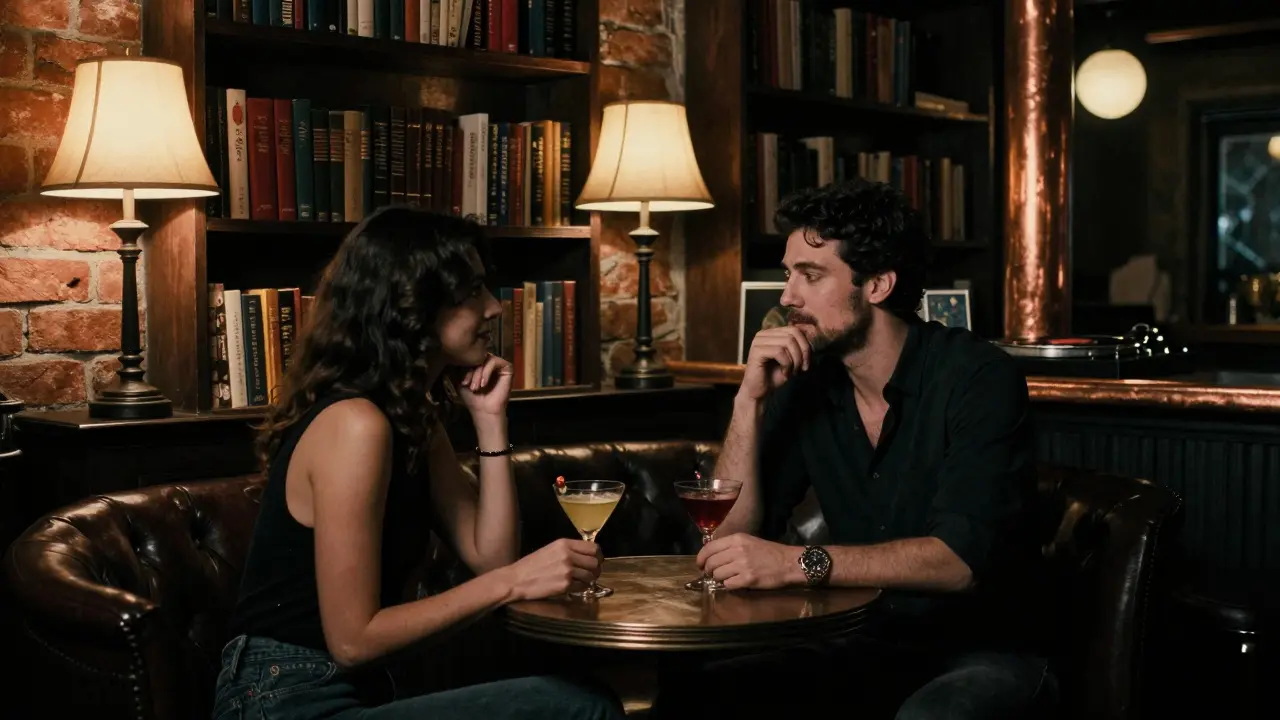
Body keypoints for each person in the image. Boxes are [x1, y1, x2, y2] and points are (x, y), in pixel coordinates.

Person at [651, 179, 1056, 719]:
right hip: (865, 642)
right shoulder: (807, 384)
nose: (786, 296)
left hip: (983, 649)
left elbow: (959, 562)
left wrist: (799, 562)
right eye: (789, 273)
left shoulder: (978, 379)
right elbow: (729, 537)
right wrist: (749, 401)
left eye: (810, 275)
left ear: (879, 285)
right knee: (695, 694)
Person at [212, 207, 624, 720]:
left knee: (585, 697)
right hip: (288, 696)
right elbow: (353, 640)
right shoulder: (355, 424)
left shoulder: (411, 417)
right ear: (413, 304)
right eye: (472, 291)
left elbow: (488, 557)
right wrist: (516, 581)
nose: (494, 309)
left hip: (368, 689)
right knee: (580, 708)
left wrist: (490, 422)